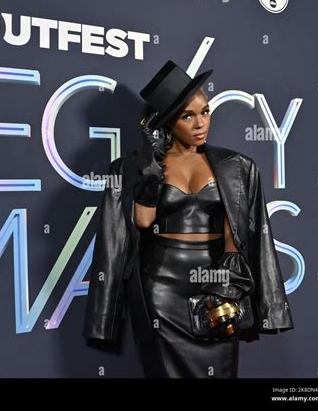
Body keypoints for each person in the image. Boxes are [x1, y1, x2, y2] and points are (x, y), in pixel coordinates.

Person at [82, 60, 294, 378]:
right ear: (166, 122)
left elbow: (245, 237)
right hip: (162, 288)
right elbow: (141, 221)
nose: (201, 124)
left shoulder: (237, 166)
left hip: (217, 285)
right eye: (188, 116)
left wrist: (230, 286)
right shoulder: (132, 168)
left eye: (205, 112)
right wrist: (150, 169)